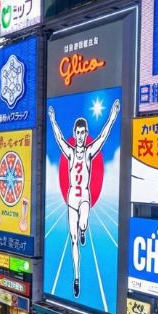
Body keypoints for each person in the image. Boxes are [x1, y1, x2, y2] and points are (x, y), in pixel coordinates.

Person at [47, 98, 120, 298]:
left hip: (84, 196)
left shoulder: (88, 153)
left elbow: (104, 137)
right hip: (72, 199)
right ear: (75, 134)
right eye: (77, 133)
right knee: (73, 241)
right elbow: (59, 139)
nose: (80, 136)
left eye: (83, 133)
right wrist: (52, 120)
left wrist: (113, 116)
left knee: (84, 222)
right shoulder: (70, 153)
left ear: (86, 134)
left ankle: (83, 229)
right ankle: (76, 278)